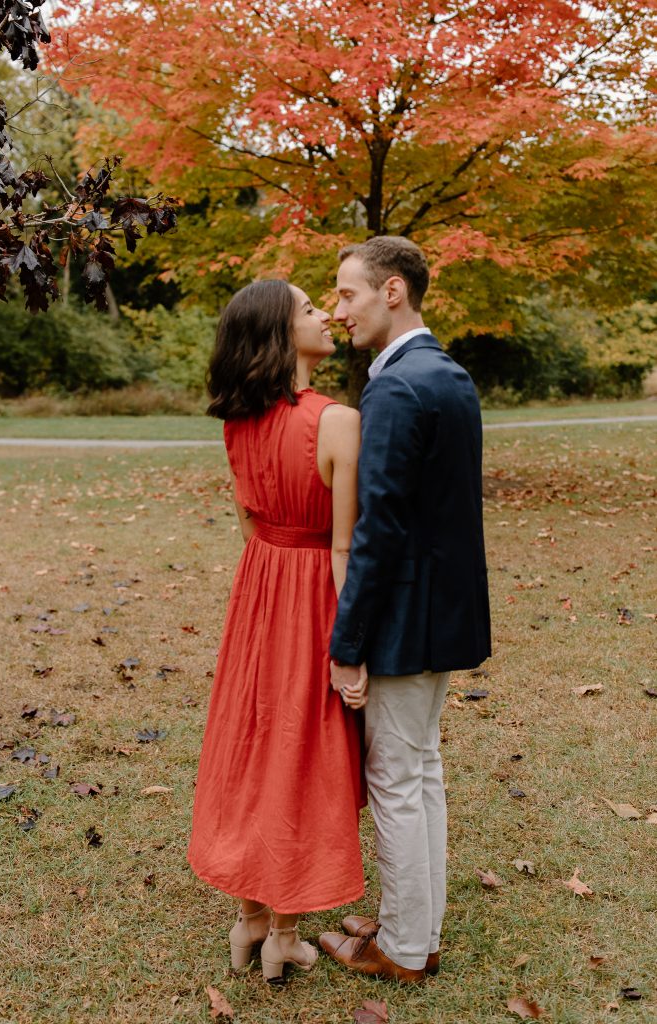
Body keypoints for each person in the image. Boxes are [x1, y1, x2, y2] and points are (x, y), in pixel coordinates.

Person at [318, 236, 491, 984]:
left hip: (405, 619)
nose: (336, 309)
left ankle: (402, 946)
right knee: (420, 772)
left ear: (392, 292)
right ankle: (414, 926)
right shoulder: (445, 374)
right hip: (443, 611)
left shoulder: (394, 388)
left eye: (346, 293)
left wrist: (346, 640)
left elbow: (378, 529)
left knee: (399, 777)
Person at [187, 279, 368, 984]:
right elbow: (343, 548)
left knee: (257, 748)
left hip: (257, 591)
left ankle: (250, 921)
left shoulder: (238, 421)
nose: (326, 314)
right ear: (278, 334)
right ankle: (283, 933)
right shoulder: (338, 422)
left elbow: (248, 525)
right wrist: (348, 647)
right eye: (309, 309)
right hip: (312, 596)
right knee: (302, 758)